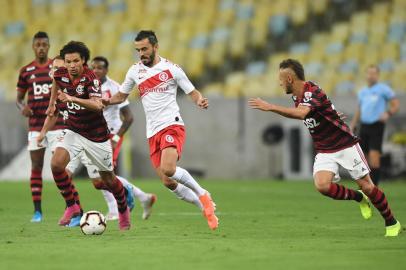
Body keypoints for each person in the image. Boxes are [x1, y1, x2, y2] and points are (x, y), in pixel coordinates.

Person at [248, 58, 401, 237]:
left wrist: (270, 107)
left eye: (281, 79)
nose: (279, 83)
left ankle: (391, 222)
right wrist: (332, 114)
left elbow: (302, 113)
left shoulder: (312, 91)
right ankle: (359, 198)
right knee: (322, 186)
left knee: (367, 186)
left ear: (289, 79)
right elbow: (319, 110)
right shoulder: (296, 96)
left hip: (345, 144)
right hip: (325, 149)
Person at [102, 30, 218, 230]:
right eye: (138, 50)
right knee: (167, 181)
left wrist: (199, 100)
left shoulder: (171, 69)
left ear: (155, 47)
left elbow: (192, 91)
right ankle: (202, 206)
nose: (141, 53)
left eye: (145, 49)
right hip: (152, 132)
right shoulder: (134, 71)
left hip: (172, 124)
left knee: (169, 168)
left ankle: (202, 194)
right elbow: (121, 96)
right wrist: (107, 101)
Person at [45, 41, 130, 230]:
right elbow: (55, 82)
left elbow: (98, 105)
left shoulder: (92, 78)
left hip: (96, 136)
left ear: (83, 61)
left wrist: (73, 98)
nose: (72, 65)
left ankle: (123, 210)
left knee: (107, 180)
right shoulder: (60, 74)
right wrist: (52, 104)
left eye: (76, 61)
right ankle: (72, 206)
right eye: (68, 61)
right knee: (56, 165)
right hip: (74, 130)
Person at [63, 56, 156, 223]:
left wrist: (116, 137)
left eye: (100, 68)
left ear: (106, 70)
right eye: (94, 67)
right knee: (100, 178)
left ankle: (116, 209)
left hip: (109, 136)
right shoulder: (87, 85)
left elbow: (128, 117)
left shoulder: (114, 88)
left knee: (104, 174)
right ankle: (143, 197)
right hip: (90, 134)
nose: (96, 70)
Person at [16, 31, 65, 222]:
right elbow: (19, 99)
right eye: (38, 45)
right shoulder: (26, 71)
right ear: (33, 47)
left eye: (44, 44)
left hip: (57, 124)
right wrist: (23, 107)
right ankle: (37, 211)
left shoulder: (57, 68)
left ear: (49, 46)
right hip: (35, 126)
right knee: (36, 166)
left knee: (60, 167)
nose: (41, 48)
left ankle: (71, 207)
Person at [350, 65, 400, 185]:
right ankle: (367, 187)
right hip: (364, 126)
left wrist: (388, 113)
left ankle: (375, 188)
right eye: (369, 73)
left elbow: (395, 104)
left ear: (377, 75)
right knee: (363, 159)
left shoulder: (383, 89)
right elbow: (359, 109)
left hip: (376, 126)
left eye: (374, 73)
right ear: (366, 75)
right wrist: (353, 124)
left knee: (374, 158)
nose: (371, 76)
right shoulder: (362, 92)